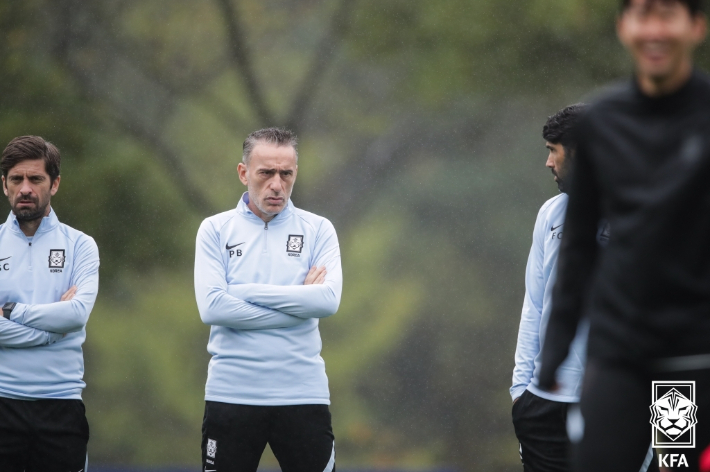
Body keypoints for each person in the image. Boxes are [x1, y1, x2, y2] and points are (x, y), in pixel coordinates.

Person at [538, 1, 710, 471]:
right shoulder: (603, 123)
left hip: (687, 353)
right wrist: (555, 347)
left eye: (668, 15)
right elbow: (578, 245)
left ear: (697, 26)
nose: (654, 29)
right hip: (616, 353)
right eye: (642, 15)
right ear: (624, 27)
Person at [194, 127, 342, 472]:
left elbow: (328, 301)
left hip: (303, 395)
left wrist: (243, 292)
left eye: (285, 173)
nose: (277, 184)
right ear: (244, 173)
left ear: (294, 174)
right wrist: (298, 305)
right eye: (266, 173)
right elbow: (212, 307)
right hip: (231, 395)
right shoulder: (215, 229)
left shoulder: (318, 229)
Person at [0, 136, 100, 472]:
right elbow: (64, 321)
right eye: (16, 179)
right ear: (4, 185)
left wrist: (11, 311)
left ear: (54, 184)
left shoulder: (81, 246)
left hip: (61, 405)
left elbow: (76, 314)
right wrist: (52, 330)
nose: (25, 188)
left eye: (36, 179)